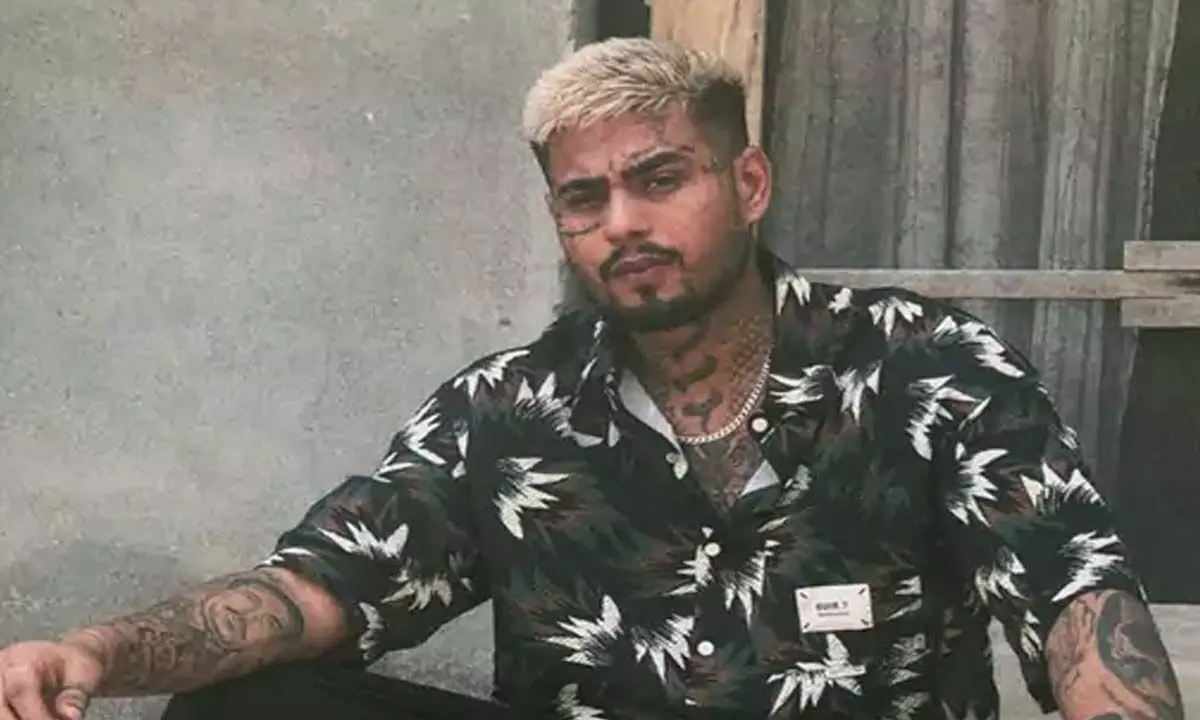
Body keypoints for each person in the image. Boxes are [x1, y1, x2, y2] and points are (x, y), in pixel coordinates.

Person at [0, 37, 1185, 720]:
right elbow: (320, 591)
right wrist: (95, 653)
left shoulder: (927, 367)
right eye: (585, 197)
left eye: (661, 178)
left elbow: (1076, 604)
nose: (623, 223)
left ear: (748, 184)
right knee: (253, 704)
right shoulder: (505, 413)